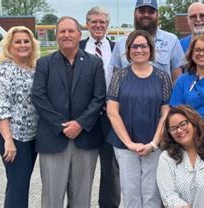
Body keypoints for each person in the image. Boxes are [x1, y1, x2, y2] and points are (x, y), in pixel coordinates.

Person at [31, 16, 106, 207]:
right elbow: (39, 97)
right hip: (53, 138)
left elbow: (99, 97)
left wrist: (80, 123)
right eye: (62, 31)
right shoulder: (44, 63)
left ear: (80, 34)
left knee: (81, 198)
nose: (66, 35)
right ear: (56, 35)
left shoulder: (94, 63)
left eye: (71, 31)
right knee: (52, 198)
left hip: (85, 138)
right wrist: (61, 125)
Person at [106, 30, 171, 208]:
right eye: (134, 46)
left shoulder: (162, 78)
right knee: (130, 192)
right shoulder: (120, 76)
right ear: (128, 50)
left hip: (154, 144)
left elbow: (165, 113)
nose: (139, 50)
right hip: (125, 145)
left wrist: (154, 143)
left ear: (150, 49)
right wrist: (129, 143)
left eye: (143, 46)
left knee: (152, 193)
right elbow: (112, 111)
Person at [0, 26, 39, 208]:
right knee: (19, 184)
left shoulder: (34, 68)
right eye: (17, 42)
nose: (22, 45)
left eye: (26, 41)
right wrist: (8, 140)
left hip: (32, 134)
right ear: (9, 46)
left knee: (20, 182)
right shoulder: (3, 69)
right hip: (12, 134)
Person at [78, 6, 120, 207]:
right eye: (94, 21)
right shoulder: (77, 47)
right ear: (87, 24)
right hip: (84, 116)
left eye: (102, 22)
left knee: (110, 168)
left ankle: (109, 204)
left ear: (107, 25)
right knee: (81, 167)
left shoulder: (117, 48)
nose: (98, 25)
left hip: (110, 116)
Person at [110, 0, 184, 82]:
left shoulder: (172, 41)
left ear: (157, 14)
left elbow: (178, 80)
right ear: (135, 13)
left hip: (163, 94)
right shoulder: (121, 43)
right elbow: (116, 80)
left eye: (151, 11)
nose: (146, 14)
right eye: (142, 11)